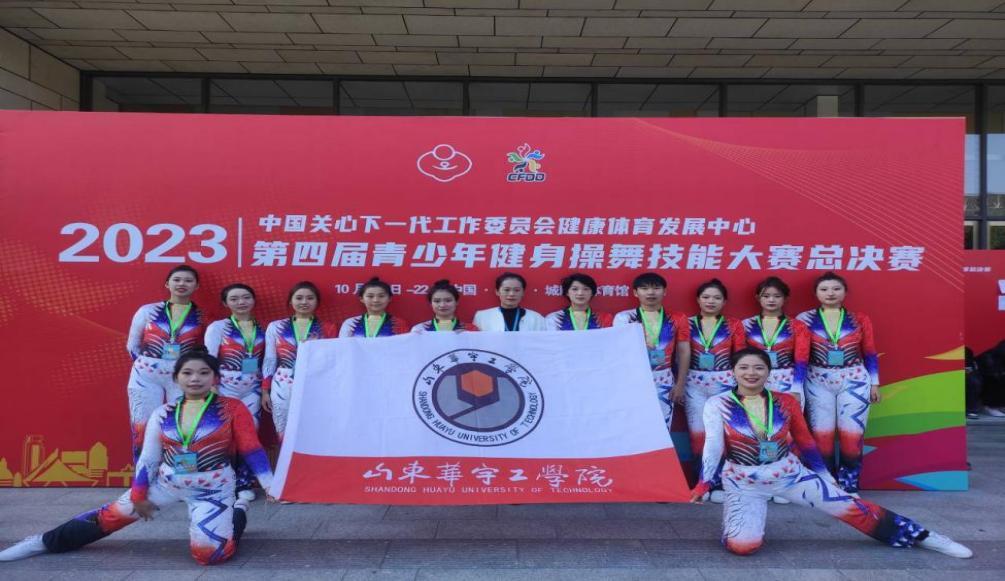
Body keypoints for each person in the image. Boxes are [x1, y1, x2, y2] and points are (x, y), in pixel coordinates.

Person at [689, 348, 971, 559]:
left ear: (768, 371)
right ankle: (736, 524)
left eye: (758, 368)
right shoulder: (718, 403)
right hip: (743, 481)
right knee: (742, 546)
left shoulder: (786, 401)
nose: (751, 373)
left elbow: (805, 441)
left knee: (853, 508)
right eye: (744, 367)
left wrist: (825, 476)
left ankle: (923, 536)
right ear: (733, 371)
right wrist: (705, 482)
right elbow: (713, 445)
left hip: (790, 475)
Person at [0, 350, 274, 565]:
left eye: (204, 373)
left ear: (215, 378)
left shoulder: (233, 408)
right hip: (166, 484)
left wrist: (270, 486)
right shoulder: (162, 413)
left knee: (209, 556)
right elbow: (149, 459)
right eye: (188, 372)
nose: (195, 379)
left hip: (213, 489)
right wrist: (139, 494)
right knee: (109, 517)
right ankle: (43, 542)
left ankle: (237, 512)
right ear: (176, 378)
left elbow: (251, 449)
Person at [796, 272, 878, 494]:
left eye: (836, 289)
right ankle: (826, 484)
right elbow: (800, 355)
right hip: (817, 381)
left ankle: (849, 484)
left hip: (854, 380)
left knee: (852, 435)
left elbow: (870, 352)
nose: (830, 293)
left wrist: (875, 383)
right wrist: (797, 387)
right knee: (821, 436)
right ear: (816, 293)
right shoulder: (804, 319)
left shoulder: (859, 319)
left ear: (845, 292)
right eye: (824, 289)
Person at [125, 264, 205, 462]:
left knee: (182, 426)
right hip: (146, 376)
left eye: (188, 280)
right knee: (142, 426)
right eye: (177, 280)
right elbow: (132, 345)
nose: (182, 284)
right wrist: (149, 365)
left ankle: (179, 473)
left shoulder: (201, 316)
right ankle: (143, 475)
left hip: (181, 377)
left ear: (196, 286)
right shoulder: (148, 311)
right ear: (167, 284)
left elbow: (201, 349)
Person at [684, 278, 745, 503]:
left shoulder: (734, 324)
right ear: (698, 299)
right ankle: (699, 482)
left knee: (721, 435)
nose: (711, 301)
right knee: (698, 435)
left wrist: (740, 388)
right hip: (694, 384)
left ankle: (719, 482)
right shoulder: (686, 323)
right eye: (706, 297)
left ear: (724, 301)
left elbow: (740, 357)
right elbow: (678, 354)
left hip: (725, 384)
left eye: (717, 298)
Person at [204, 283, 266, 502]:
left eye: (246, 297)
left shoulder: (262, 328)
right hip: (225, 388)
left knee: (249, 435)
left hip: (252, 389)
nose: (241, 302)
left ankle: (243, 484)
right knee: (224, 435)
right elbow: (209, 358)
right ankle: (221, 483)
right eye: (234, 299)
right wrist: (212, 387)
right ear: (225, 303)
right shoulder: (218, 327)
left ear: (253, 300)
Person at [613, 272, 690, 431]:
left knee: (662, 427)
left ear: (664, 291)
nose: (650, 293)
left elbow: (683, 352)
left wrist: (680, 384)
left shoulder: (678, 318)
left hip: (664, 378)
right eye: (644, 288)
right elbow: (619, 350)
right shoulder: (624, 318)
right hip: (632, 378)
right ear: (635, 292)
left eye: (656, 288)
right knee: (632, 425)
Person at [263, 281, 330, 442]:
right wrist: (265, 390)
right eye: (299, 298)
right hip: (282, 384)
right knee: (283, 429)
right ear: (291, 301)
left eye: (310, 298)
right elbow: (270, 359)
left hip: (316, 383)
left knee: (313, 428)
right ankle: (285, 458)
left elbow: (331, 361)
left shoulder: (328, 328)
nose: (304, 302)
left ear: (317, 301)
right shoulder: (276, 327)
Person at [742, 277, 810, 408]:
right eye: (766, 296)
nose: (771, 300)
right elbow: (740, 358)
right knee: (757, 419)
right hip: (755, 377)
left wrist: (796, 388)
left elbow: (802, 359)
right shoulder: (746, 325)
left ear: (785, 298)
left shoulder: (798, 326)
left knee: (786, 419)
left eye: (777, 296)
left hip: (787, 379)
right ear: (758, 298)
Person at [473, 272, 547, 332]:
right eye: (506, 290)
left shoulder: (536, 318)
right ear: (497, 292)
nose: (511, 294)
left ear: (523, 293)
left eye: (517, 290)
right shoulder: (482, 317)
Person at [339, 277, 410, 337]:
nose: (376, 300)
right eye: (370, 296)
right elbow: (343, 347)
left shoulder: (399, 323)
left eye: (381, 296)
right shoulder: (350, 323)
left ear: (389, 298)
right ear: (361, 299)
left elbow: (404, 347)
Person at [545, 273, 613, 331]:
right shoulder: (554, 318)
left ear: (592, 293)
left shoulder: (605, 318)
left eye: (586, 289)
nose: (580, 293)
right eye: (575, 289)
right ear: (567, 292)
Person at [411, 279, 477, 333]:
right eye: (437, 301)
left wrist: (467, 336)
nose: (442, 305)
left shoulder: (470, 329)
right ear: (431, 304)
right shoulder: (420, 329)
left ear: (456, 302)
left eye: (448, 300)